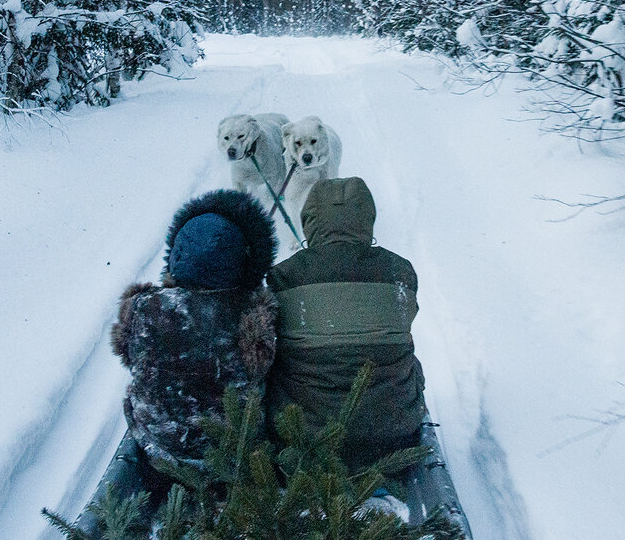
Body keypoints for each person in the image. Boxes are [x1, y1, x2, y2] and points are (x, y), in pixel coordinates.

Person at [111, 189, 278, 492]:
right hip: (230, 462)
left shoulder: (142, 307)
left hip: (157, 457)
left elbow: (126, 353)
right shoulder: (253, 316)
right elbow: (262, 368)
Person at [265, 176, 426, 471]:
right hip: (393, 438)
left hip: (305, 441)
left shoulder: (283, 277)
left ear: (310, 221)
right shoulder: (400, 271)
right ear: (367, 219)